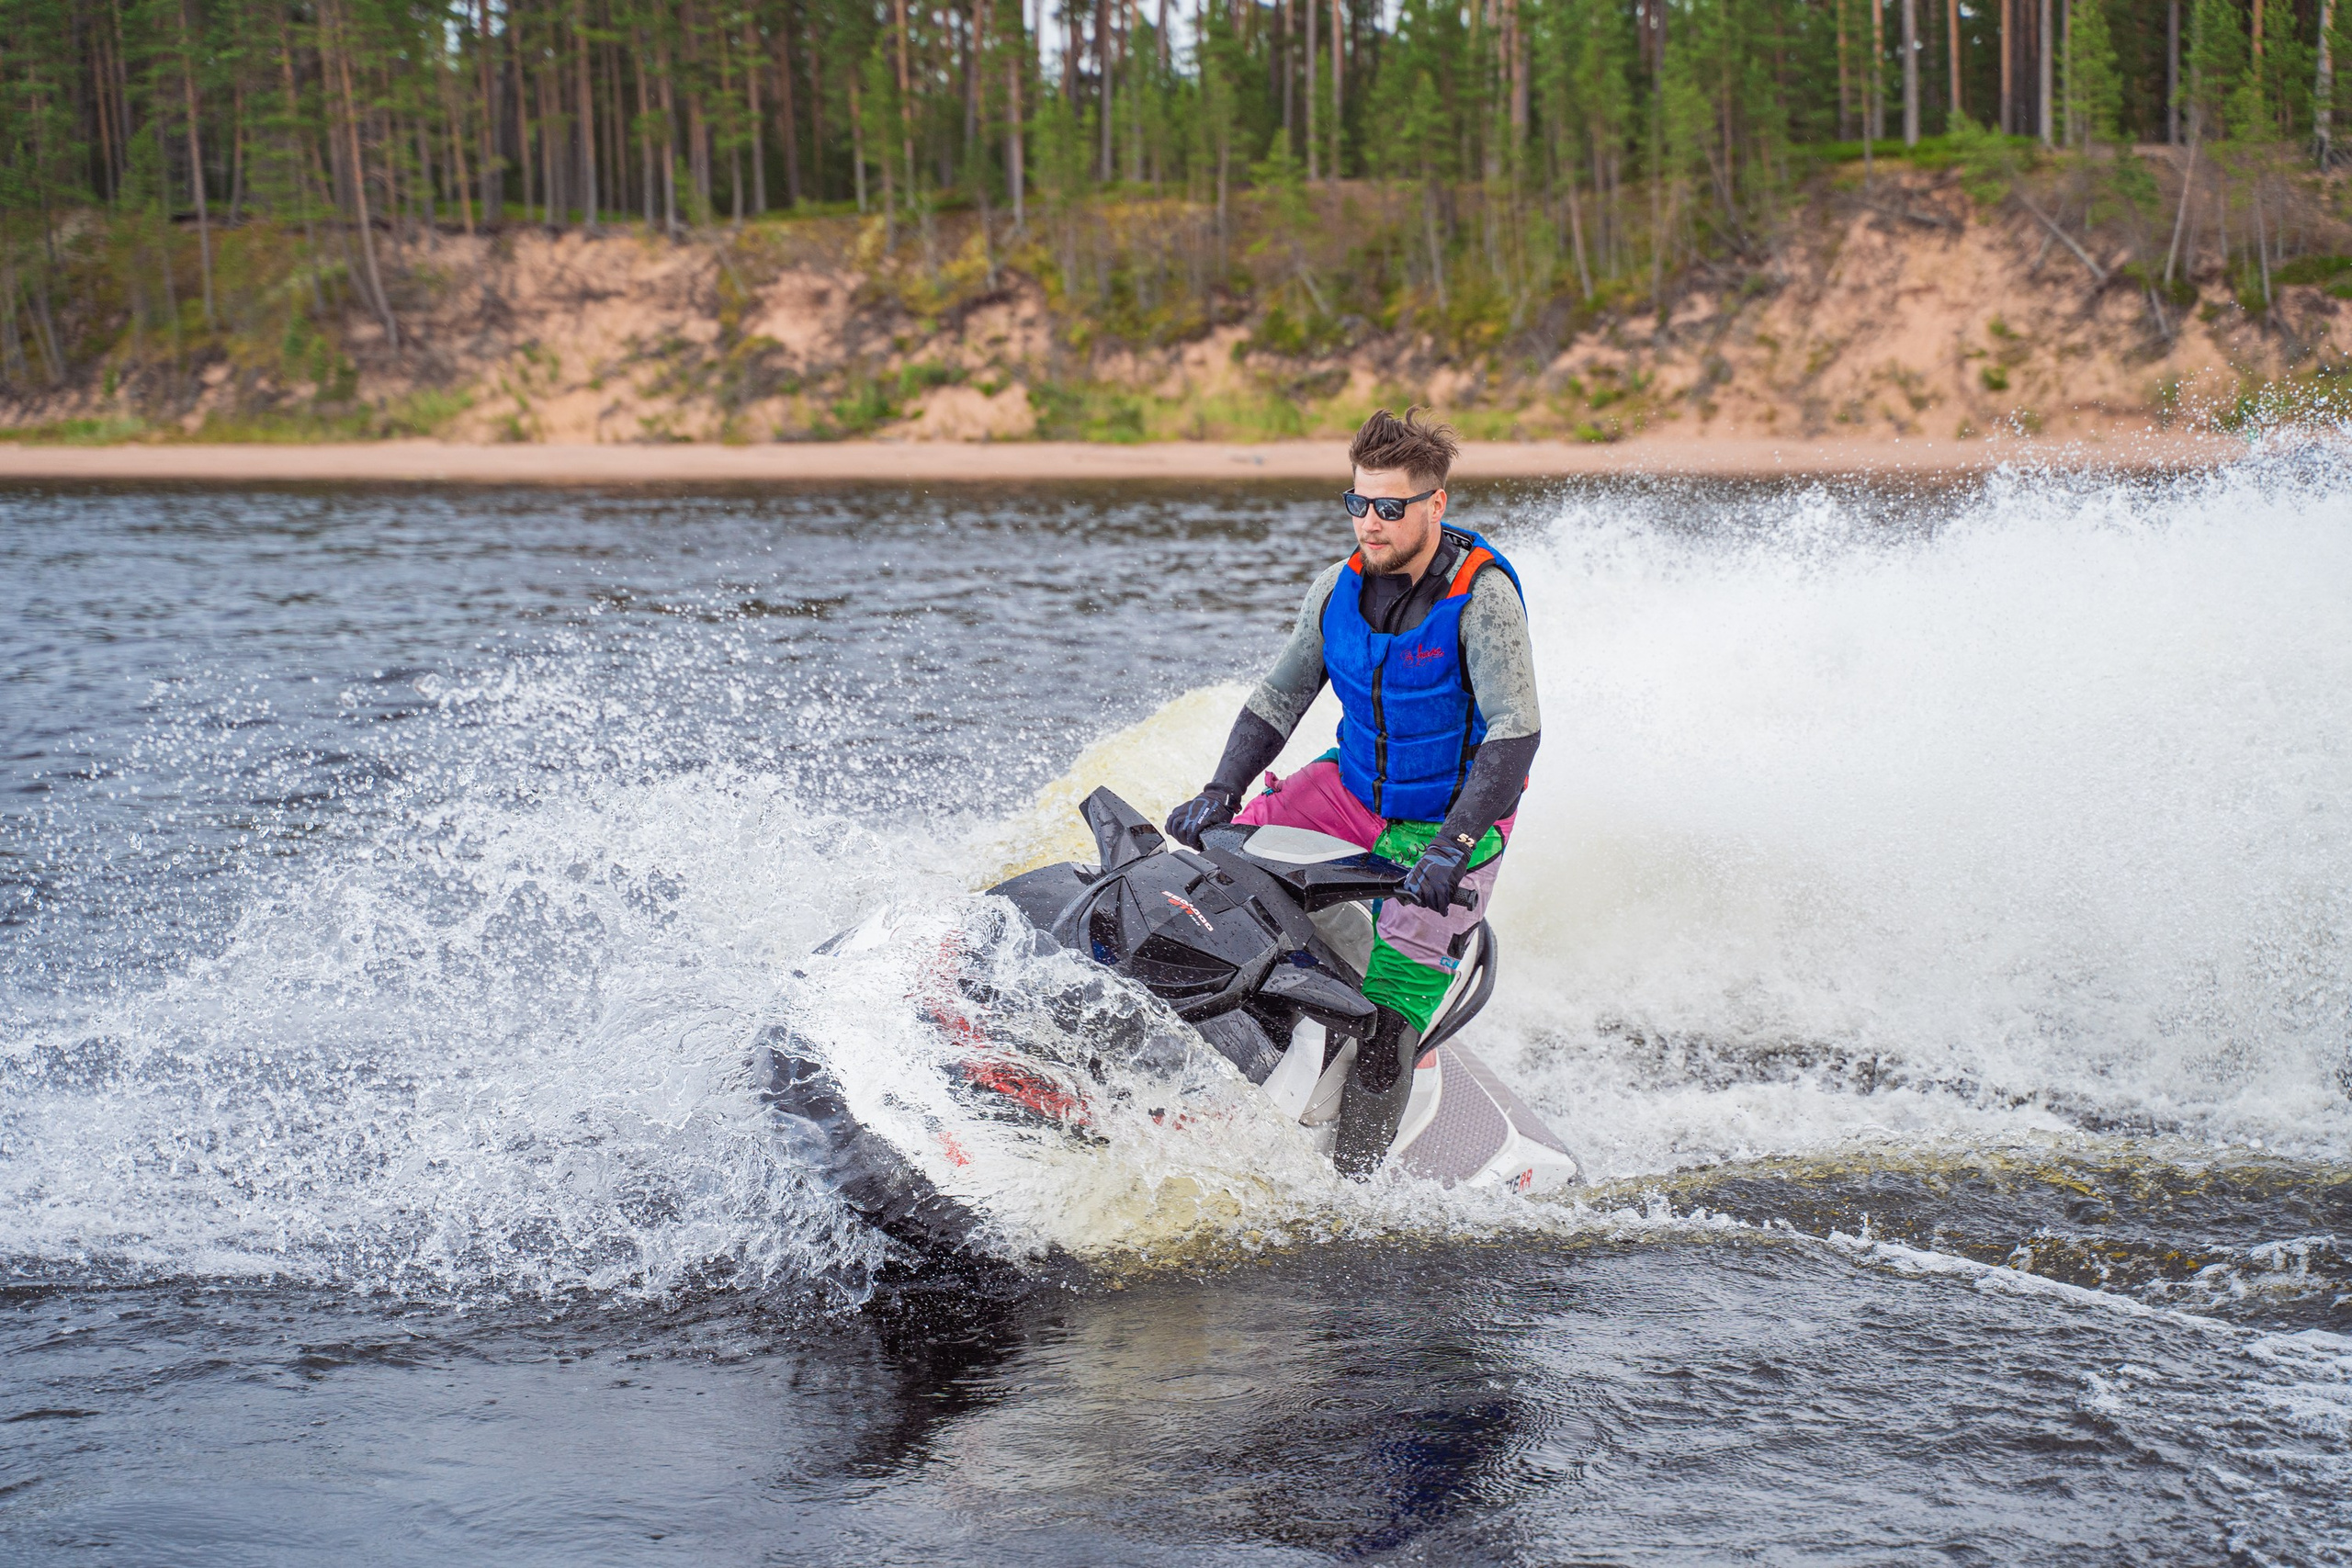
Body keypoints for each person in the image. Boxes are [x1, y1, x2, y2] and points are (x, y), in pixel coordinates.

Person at [1162, 408, 1541, 1175]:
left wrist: (1456, 844)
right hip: (1349, 790)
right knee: (1215, 871)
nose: (1371, 522)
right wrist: (1220, 789)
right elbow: (1280, 697)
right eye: (1358, 502)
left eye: (1391, 507)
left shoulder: (1484, 598)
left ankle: (1354, 1193)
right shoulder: (1334, 589)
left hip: (1445, 823)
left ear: (1436, 503)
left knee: (1388, 1023)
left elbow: (1516, 734)